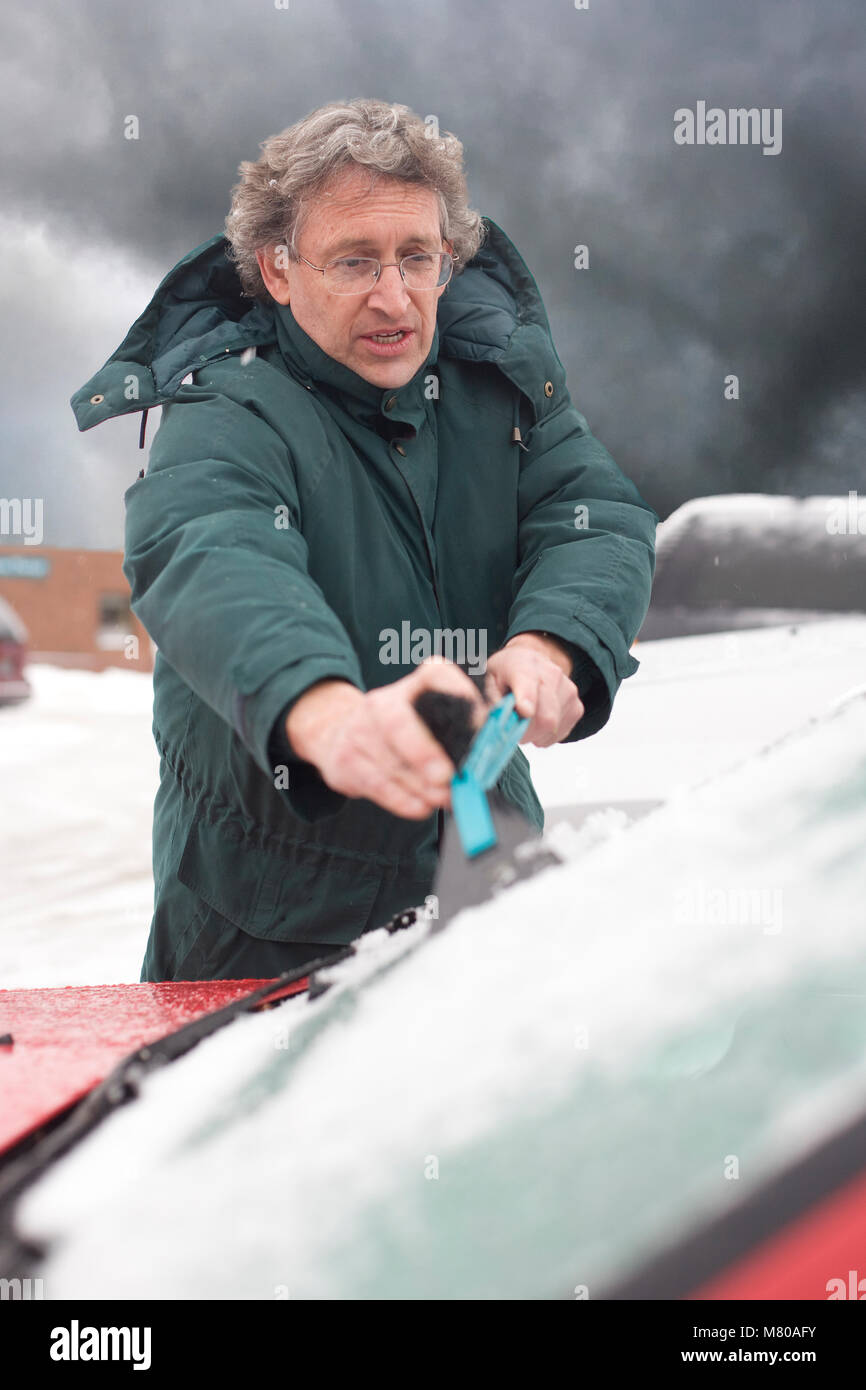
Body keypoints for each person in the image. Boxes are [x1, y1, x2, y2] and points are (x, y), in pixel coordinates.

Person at [71, 99, 657, 982]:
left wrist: (554, 641)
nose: (394, 298)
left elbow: (594, 511)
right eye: (353, 262)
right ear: (276, 270)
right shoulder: (226, 412)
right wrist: (326, 712)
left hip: (486, 878)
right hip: (271, 926)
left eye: (416, 257)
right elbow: (211, 551)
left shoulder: (500, 386)